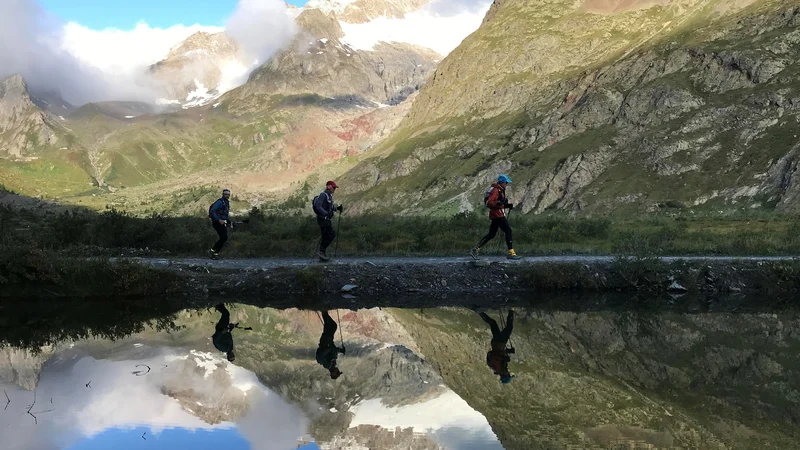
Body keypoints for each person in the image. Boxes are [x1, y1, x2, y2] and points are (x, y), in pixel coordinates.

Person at [471, 174, 522, 260]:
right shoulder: (496, 190)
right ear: (502, 182)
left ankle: (475, 249)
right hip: (498, 215)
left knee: (491, 234)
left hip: (495, 214)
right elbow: (491, 203)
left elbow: (498, 203)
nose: (507, 184)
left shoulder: (500, 190)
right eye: (506, 182)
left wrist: (507, 205)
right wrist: (501, 203)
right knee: (508, 231)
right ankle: (511, 253)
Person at [479, 309, 515, 384]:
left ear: (505, 375)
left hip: (499, 343)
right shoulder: (501, 368)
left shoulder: (497, 367)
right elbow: (498, 353)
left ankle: (511, 310)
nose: (509, 373)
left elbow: (495, 355)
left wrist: (504, 357)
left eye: (508, 375)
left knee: (509, 327)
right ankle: (479, 312)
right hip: (496, 343)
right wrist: (508, 351)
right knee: (493, 324)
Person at [312, 181, 343, 262]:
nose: (335, 189)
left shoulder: (329, 196)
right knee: (331, 234)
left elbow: (330, 208)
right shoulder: (323, 195)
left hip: (325, 219)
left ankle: (322, 257)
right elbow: (318, 206)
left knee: (325, 235)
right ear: (329, 187)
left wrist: (338, 208)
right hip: (323, 219)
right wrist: (325, 214)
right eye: (334, 187)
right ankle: (321, 252)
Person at [315, 310, 345, 379]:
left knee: (331, 326)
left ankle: (323, 310)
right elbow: (334, 351)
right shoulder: (333, 364)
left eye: (337, 372)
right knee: (331, 326)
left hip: (325, 341)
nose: (338, 370)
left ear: (333, 373)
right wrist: (341, 350)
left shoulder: (327, 365)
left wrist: (328, 349)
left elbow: (321, 355)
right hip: (328, 341)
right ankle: (324, 310)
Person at [208, 189, 231, 259]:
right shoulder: (219, 202)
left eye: (228, 194)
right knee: (224, 237)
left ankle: (214, 253)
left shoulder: (226, 203)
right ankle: (213, 252)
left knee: (224, 237)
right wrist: (218, 220)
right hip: (217, 222)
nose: (227, 195)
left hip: (222, 222)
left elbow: (224, 215)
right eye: (226, 194)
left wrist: (228, 221)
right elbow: (212, 211)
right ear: (223, 194)